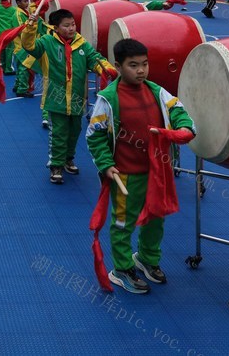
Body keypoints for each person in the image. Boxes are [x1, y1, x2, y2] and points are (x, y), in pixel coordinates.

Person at [85, 38, 195, 294]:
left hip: (156, 173)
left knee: (156, 218)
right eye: (133, 65)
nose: (141, 70)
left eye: (144, 64)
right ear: (118, 66)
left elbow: (177, 109)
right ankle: (122, 268)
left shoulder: (157, 91)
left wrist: (184, 127)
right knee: (123, 223)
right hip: (125, 175)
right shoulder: (108, 99)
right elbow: (95, 134)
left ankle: (147, 259)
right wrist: (106, 164)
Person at [21, 8, 117, 185]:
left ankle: (68, 159)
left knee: (74, 132)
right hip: (55, 99)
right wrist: (30, 26)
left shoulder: (82, 44)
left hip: (77, 100)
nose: (71, 28)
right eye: (66, 25)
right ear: (55, 27)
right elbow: (29, 46)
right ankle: (56, 165)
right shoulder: (47, 42)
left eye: (73, 24)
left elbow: (94, 58)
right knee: (58, 134)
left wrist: (106, 68)